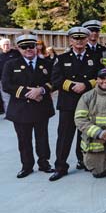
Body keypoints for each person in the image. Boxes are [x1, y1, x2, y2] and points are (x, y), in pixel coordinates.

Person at [2, 34, 55, 178]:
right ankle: (27, 166)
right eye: (24, 47)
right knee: (24, 140)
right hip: (21, 109)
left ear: (36, 47)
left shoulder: (47, 64)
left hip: (41, 107)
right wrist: (29, 93)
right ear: (19, 48)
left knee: (42, 137)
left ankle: (44, 163)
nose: (28, 49)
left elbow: (54, 81)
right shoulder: (11, 64)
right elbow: (6, 85)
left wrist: (42, 90)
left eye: (31, 46)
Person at [49, 27, 99, 181]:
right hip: (68, 102)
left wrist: (86, 85)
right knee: (64, 135)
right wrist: (72, 86)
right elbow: (55, 79)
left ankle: (82, 161)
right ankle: (60, 166)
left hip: (87, 101)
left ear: (86, 40)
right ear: (70, 41)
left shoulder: (95, 57)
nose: (79, 42)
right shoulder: (62, 58)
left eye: (82, 39)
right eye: (75, 39)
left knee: (84, 134)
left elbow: (101, 77)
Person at [0, 37, 21, 114]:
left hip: (16, 79)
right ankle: (9, 114)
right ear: (1, 46)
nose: (6, 46)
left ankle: (19, 112)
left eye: (8, 44)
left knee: (17, 95)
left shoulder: (16, 53)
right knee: (5, 97)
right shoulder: (0, 56)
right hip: (3, 80)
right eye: (4, 45)